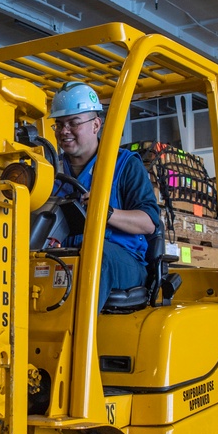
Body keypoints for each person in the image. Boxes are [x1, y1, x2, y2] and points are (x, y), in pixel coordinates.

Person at [49, 81, 161, 312]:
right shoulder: (51, 170)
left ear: (95, 125)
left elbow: (149, 223)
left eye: (73, 123)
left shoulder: (124, 165)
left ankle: (76, 343)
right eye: (59, 124)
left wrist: (105, 212)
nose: (64, 131)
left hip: (122, 260)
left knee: (96, 257)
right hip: (68, 254)